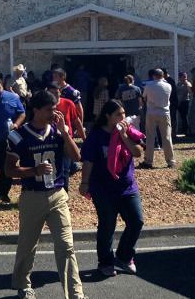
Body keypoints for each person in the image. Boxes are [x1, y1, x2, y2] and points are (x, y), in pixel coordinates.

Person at [5, 90, 85, 299]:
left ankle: (75, 294)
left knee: (66, 245)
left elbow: (76, 156)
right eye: (49, 109)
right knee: (28, 244)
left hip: (58, 194)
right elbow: (9, 170)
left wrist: (66, 133)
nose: (54, 113)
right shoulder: (18, 135)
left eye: (55, 108)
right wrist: (33, 171)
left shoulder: (59, 132)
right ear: (36, 110)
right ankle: (23, 285)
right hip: (32, 196)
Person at [80, 100, 146, 277]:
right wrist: (84, 183)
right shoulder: (96, 136)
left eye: (124, 114)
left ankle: (124, 256)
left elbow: (138, 152)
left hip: (127, 186)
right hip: (103, 189)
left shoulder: (129, 132)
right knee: (107, 225)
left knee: (136, 221)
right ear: (108, 116)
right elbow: (88, 161)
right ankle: (105, 262)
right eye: (118, 114)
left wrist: (124, 136)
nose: (122, 117)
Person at [139, 69, 174, 168]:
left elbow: (144, 97)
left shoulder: (149, 85)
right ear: (163, 76)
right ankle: (170, 161)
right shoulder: (168, 85)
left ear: (154, 76)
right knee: (167, 137)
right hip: (165, 112)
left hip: (151, 112)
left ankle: (148, 161)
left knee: (150, 137)